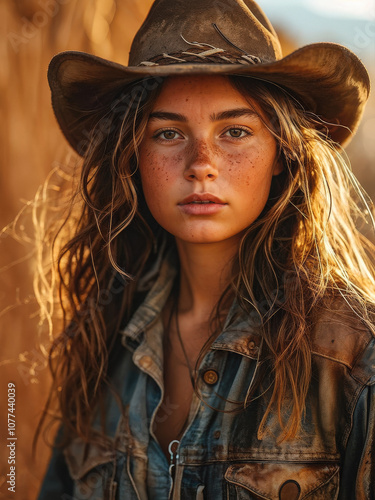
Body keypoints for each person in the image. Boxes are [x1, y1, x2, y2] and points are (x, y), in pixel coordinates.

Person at [37, 0, 375, 498]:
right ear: (132, 157)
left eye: (235, 132)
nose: (201, 164)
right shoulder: (104, 342)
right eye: (168, 133)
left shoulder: (354, 357)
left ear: (283, 153)